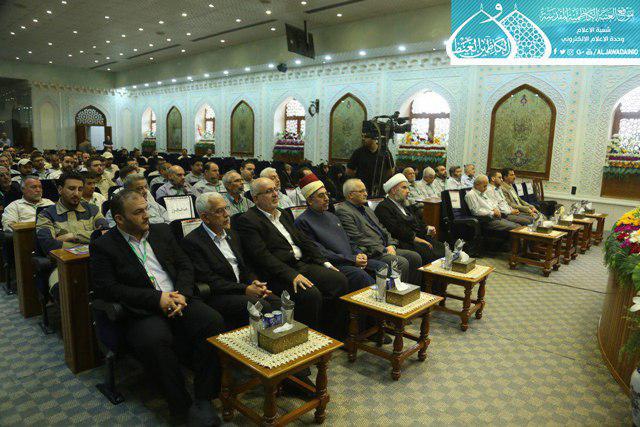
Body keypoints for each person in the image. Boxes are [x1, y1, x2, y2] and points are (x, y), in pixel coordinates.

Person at [90, 190, 224, 425]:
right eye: (138, 212)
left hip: (178, 297)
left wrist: (182, 294)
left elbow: (185, 265)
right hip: (142, 309)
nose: (146, 215)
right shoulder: (104, 245)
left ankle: (204, 396)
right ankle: (180, 406)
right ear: (119, 219)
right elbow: (108, 289)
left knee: (212, 320)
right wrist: (157, 299)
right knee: (155, 339)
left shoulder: (162, 231)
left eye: (146, 209)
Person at [236, 177, 349, 338]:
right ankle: (307, 339)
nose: (275, 194)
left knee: (339, 280)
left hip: (300, 264)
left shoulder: (283, 213)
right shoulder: (248, 220)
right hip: (277, 273)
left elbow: (304, 240)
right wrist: (292, 275)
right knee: (311, 294)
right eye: (268, 191)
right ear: (255, 198)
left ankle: (332, 334)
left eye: (275, 189)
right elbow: (262, 256)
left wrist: (324, 262)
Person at [182, 192, 281, 330]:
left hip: (244, 287)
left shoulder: (232, 234)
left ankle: (281, 340)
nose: (227, 214)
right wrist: (245, 289)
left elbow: (246, 265)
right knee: (262, 306)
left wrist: (254, 282)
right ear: (205, 217)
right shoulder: (193, 242)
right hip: (220, 294)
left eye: (226, 208)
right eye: (219, 211)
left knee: (277, 303)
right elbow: (209, 279)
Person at [295, 173, 386, 291]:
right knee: (360, 276)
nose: (327, 198)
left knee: (382, 267)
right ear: (310, 200)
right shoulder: (303, 222)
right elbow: (320, 252)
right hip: (334, 264)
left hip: (351, 259)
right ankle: (377, 301)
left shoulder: (332, 216)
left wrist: (359, 254)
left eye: (327, 194)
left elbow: (349, 241)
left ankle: (390, 298)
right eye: (321, 196)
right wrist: (352, 259)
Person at [335, 178, 422, 285]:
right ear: (350, 195)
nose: (366, 194)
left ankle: (411, 290)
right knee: (401, 262)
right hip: (371, 252)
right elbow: (357, 238)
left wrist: (391, 245)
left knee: (415, 257)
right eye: (361, 191)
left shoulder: (366, 209)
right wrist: (383, 249)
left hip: (384, 248)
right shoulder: (344, 211)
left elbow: (383, 229)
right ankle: (396, 293)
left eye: (365, 190)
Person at [36, 172, 109, 294]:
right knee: (64, 290)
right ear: (60, 190)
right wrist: (91, 241)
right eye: (71, 188)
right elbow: (48, 245)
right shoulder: (46, 215)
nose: (76, 193)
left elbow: (105, 233)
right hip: (62, 266)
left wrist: (73, 236)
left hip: (95, 262)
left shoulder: (93, 209)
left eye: (80, 189)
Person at [374, 174, 445, 265]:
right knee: (427, 250)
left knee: (441, 247)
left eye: (408, 188)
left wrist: (426, 228)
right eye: (404, 188)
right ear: (394, 190)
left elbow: (416, 221)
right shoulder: (384, 207)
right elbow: (396, 230)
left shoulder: (403, 205)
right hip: (403, 241)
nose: (408, 191)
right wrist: (417, 239)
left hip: (415, 238)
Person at [346, 121, 394, 195]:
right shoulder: (358, 152)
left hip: (380, 190)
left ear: (374, 138)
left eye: (366, 137)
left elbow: (391, 171)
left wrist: (382, 179)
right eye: (362, 136)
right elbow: (349, 171)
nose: (363, 139)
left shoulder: (385, 152)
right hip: (362, 190)